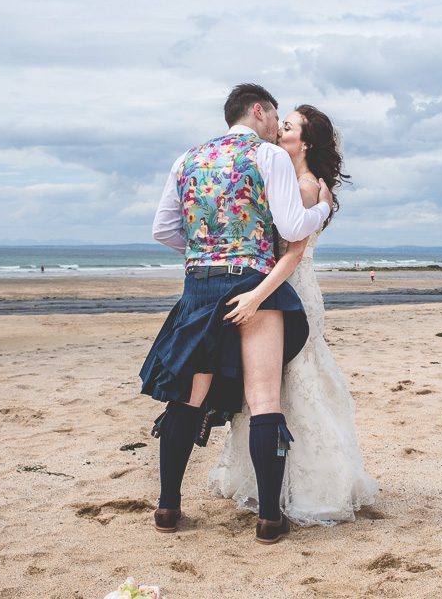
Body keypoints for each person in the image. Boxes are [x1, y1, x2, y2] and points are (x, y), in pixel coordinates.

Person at [140, 84, 333, 544]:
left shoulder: (185, 160)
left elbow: (163, 230)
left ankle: (168, 508)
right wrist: (323, 208)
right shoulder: (268, 157)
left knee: (188, 397)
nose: (277, 127)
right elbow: (291, 225)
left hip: (200, 284)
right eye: (276, 117)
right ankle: (269, 519)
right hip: (253, 283)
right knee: (264, 399)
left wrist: (207, 249)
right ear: (259, 111)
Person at [209, 105, 378, 526]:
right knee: (273, 386)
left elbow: (294, 253)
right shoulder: (291, 179)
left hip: (290, 292)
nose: (277, 130)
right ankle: (267, 480)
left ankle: (304, 487)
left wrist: (255, 295)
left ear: (304, 143)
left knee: (292, 384)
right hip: (283, 288)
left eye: (287, 126)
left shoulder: (305, 186)